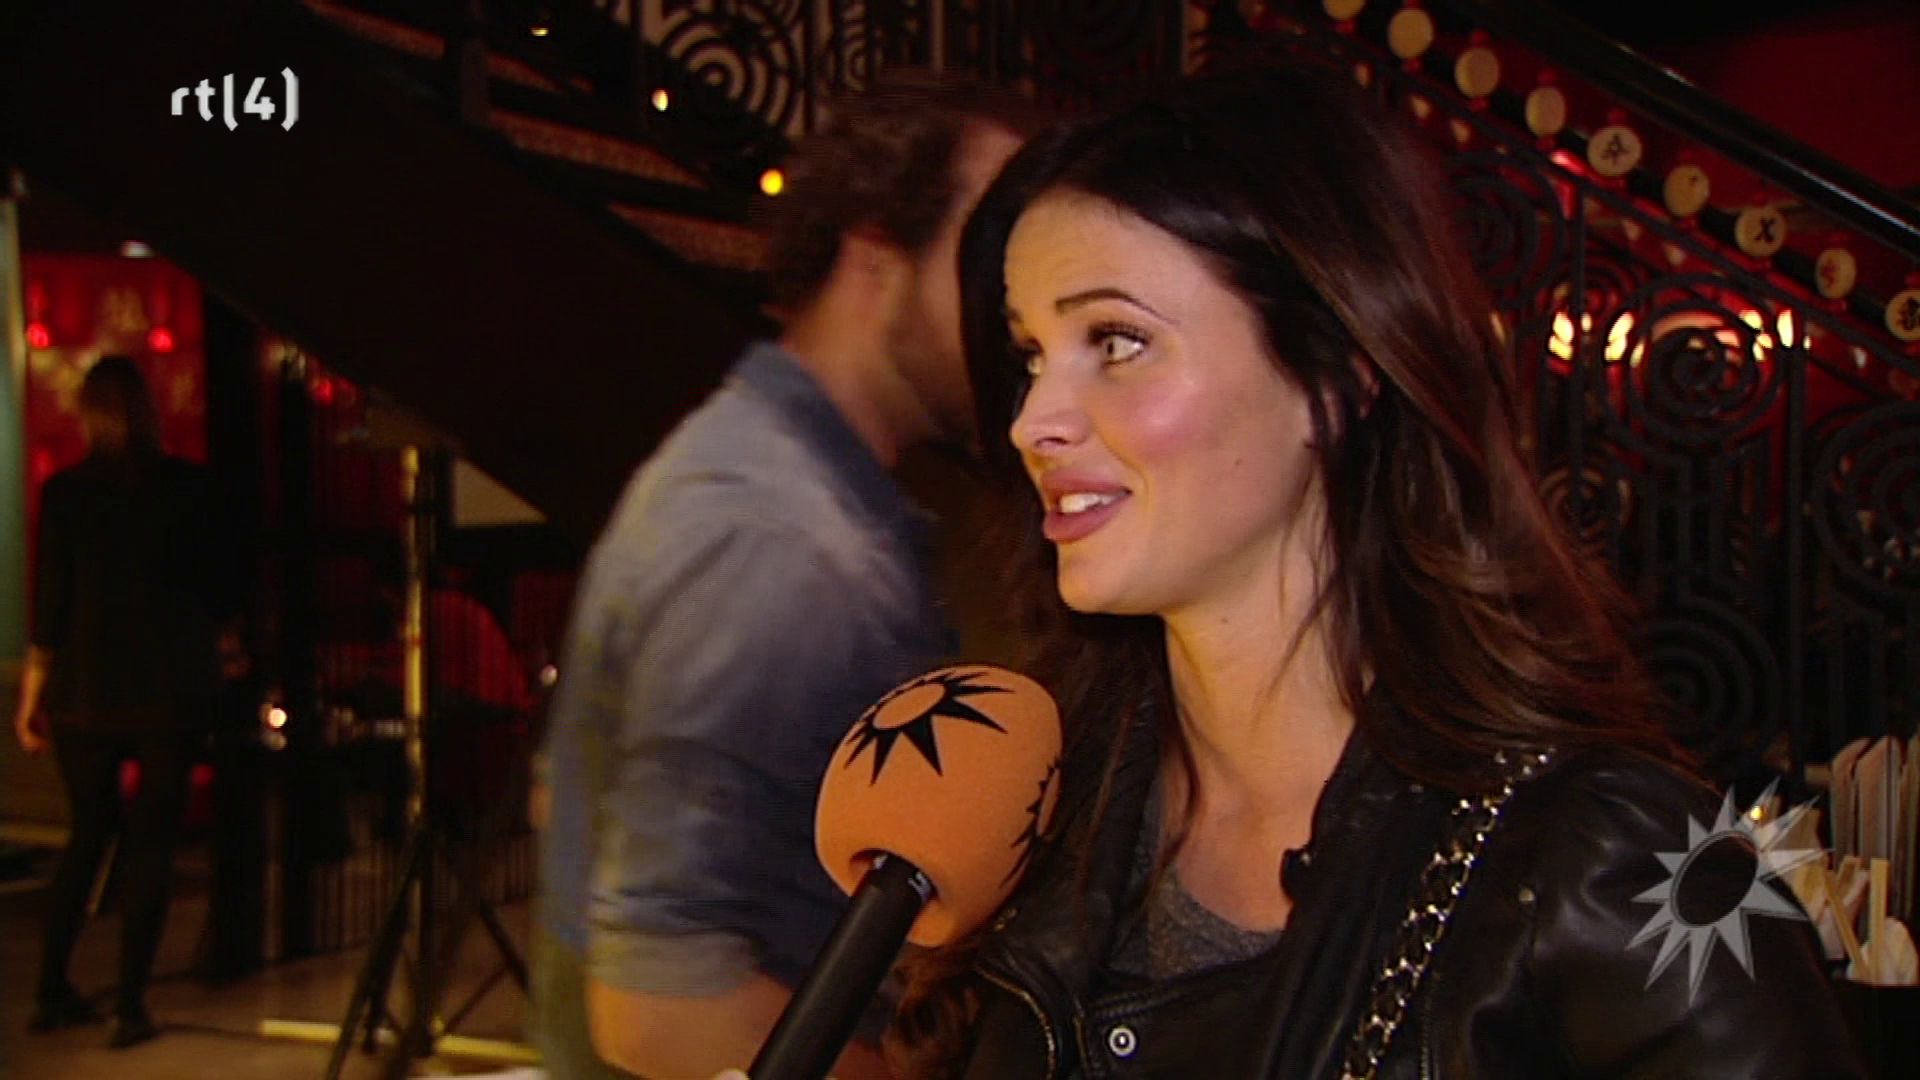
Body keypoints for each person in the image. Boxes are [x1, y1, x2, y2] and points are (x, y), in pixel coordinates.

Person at [887, 61, 1863, 1077]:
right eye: (1031, 355)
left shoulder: (1631, 858)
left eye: (1117, 341)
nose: (1034, 421)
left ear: (1338, 369)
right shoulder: (1034, 827)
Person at [535, 72, 1032, 1079]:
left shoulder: (798, 491)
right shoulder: (782, 540)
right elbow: (658, 1010)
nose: (1017, 318)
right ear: (876, 263)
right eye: (989, 264)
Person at [13, 355, 231, 1050]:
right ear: (148, 411)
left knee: (88, 834)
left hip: (84, 693)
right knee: (151, 845)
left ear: (89, 415)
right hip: (167, 690)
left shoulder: (66, 493)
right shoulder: (189, 490)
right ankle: (130, 1005)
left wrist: (31, 697)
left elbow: (50, 606)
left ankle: (50, 990)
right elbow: (219, 591)